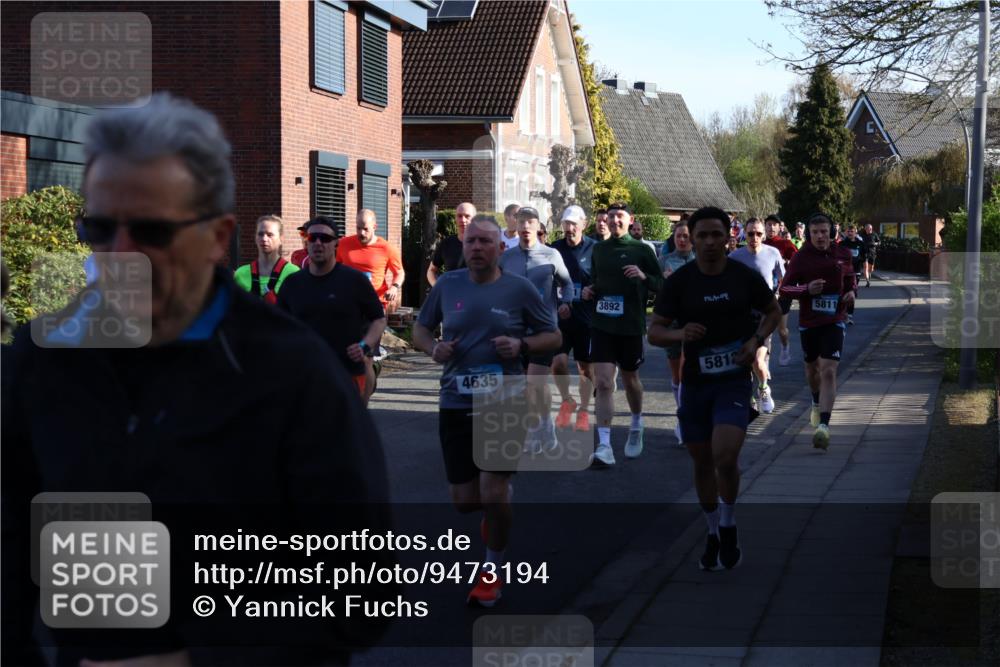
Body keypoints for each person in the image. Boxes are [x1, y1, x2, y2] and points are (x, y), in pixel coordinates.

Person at [1, 93, 392, 666]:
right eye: (101, 228)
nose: (121, 254)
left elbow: (362, 593)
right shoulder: (42, 360)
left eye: (153, 231)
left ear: (216, 237)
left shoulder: (294, 375)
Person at [413, 214, 560, 607]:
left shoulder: (520, 289)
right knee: (465, 500)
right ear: (463, 247)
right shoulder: (447, 285)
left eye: (485, 242)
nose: (476, 247)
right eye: (471, 241)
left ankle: (491, 573)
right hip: (456, 400)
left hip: (504, 398)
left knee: (492, 492)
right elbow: (420, 329)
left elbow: (553, 336)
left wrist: (522, 346)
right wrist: (433, 348)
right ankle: (496, 511)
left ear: (499, 248)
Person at [648, 206, 780, 571]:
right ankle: (711, 531)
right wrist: (680, 333)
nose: (708, 242)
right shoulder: (680, 282)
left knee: (725, 456)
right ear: (691, 239)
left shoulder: (743, 277)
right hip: (695, 385)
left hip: (733, 382)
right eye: (701, 235)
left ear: (728, 238)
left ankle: (728, 522)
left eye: (715, 235)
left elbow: (773, 312)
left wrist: (756, 341)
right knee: (703, 462)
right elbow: (654, 331)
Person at [582, 203, 662, 464]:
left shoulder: (642, 249)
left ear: (630, 219)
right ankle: (604, 446)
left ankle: (637, 423)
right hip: (602, 325)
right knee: (603, 383)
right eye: (611, 216)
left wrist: (643, 276)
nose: (614, 220)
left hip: (630, 326)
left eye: (620, 216)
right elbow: (596, 281)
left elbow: (661, 284)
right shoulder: (599, 249)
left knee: (631, 381)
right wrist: (589, 291)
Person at [279, 216, 387, 403]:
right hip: (306, 374)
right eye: (312, 238)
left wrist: (364, 346)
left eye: (325, 238)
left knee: (347, 421)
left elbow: (379, 319)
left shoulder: (354, 281)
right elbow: (280, 324)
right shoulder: (292, 283)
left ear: (336, 243)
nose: (318, 243)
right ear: (306, 242)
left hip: (346, 372)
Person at [778, 212, 856, 450]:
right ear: (809, 234)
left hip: (835, 319)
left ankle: (824, 426)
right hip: (809, 322)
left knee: (828, 370)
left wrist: (852, 293)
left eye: (824, 231)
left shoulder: (843, 254)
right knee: (812, 370)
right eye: (815, 232)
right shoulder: (801, 258)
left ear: (831, 232)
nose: (820, 236)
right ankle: (815, 401)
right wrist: (806, 289)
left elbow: (851, 279)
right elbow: (785, 289)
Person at [498, 206, 573, 452]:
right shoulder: (506, 258)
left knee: (534, 383)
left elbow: (567, 283)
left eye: (530, 221)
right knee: (524, 386)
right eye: (521, 221)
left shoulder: (551, 255)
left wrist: (566, 302)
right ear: (515, 225)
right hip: (515, 330)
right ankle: (545, 423)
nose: (525, 226)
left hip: (544, 330)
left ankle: (535, 429)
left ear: (538, 226)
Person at [337, 208, 404, 401]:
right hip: (347, 308)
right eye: (358, 228)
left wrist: (395, 287)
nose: (361, 233)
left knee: (365, 357)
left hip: (373, 310)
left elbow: (399, 272)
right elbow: (335, 267)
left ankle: (363, 407)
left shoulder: (386, 248)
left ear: (375, 226)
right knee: (346, 356)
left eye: (365, 228)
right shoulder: (344, 244)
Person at [729, 219, 785, 414]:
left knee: (758, 362)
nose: (755, 237)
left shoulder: (773, 253)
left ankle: (763, 388)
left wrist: (777, 296)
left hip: (765, 315)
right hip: (742, 316)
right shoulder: (735, 257)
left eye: (759, 234)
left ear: (764, 235)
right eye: (751, 233)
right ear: (744, 234)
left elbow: (783, 279)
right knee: (745, 360)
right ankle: (749, 397)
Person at [550, 205, 596, 432]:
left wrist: (593, 289)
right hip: (562, 318)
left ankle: (585, 409)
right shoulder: (554, 249)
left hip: (586, 319)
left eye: (573, 224)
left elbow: (604, 278)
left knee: (585, 369)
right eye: (566, 224)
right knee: (558, 364)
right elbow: (548, 281)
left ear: (583, 225)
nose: (569, 228)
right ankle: (567, 400)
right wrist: (559, 302)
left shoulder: (594, 249)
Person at [658, 221, 695, 444]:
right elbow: (655, 289)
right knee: (676, 375)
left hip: (693, 320)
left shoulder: (699, 260)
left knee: (686, 368)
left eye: (686, 236)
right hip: (671, 322)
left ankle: (686, 419)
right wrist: (665, 282)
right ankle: (681, 413)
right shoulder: (664, 260)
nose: (682, 240)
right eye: (679, 236)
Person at [233, 214, 299, 304]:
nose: (264, 239)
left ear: (281, 238)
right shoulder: (240, 274)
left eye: (270, 235)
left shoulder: (293, 273)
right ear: (255, 238)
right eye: (260, 234)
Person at [763, 214, 797, 366]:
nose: (771, 227)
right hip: (766, 292)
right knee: (766, 331)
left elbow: (797, 261)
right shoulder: (761, 244)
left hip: (783, 292)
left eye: (774, 225)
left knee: (781, 330)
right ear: (765, 227)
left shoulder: (786, 244)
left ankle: (785, 346)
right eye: (768, 224)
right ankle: (765, 363)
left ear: (779, 227)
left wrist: (786, 262)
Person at [427, 202, 476, 286]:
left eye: (467, 216)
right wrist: (438, 289)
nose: (463, 220)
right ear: (455, 218)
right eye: (459, 216)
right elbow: (431, 271)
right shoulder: (446, 244)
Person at [840, 224, 867, 325]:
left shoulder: (860, 244)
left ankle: (849, 315)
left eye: (852, 231)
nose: (850, 233)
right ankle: (843, 313)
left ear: (856, 232)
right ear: (846, 232)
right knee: (843, 292)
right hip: (844, 272)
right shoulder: (842, 244)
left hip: (856, 271)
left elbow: (864, 257)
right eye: (848, 231)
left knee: (851, 293)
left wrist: (864, 268)